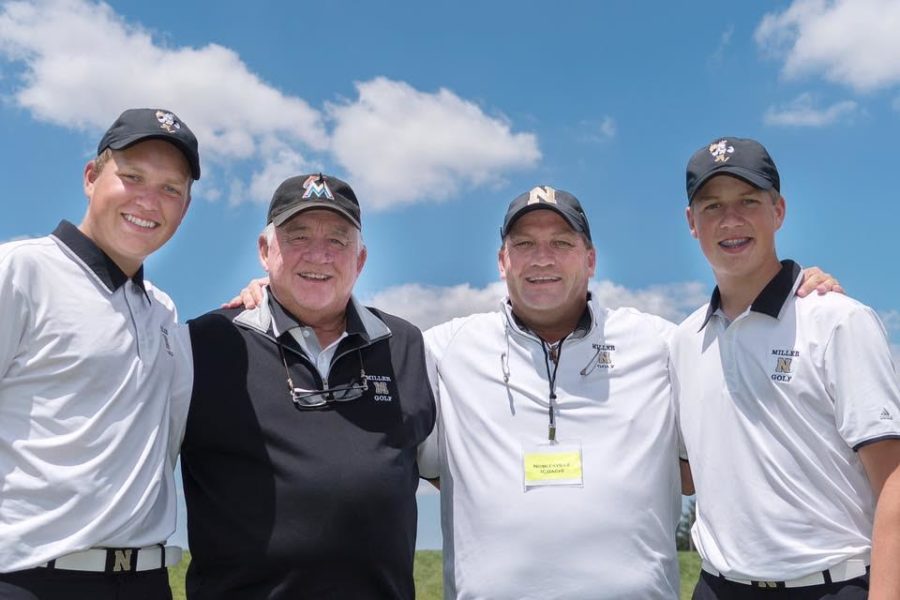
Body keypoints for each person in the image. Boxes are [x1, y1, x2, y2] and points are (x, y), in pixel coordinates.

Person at [180, 173, 435, 599]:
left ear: (361, 259)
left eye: (338, 240)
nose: (318, 255)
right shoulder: (205, 344)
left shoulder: (405, 344)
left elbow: (453, 472)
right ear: (266, 251)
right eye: (297, 237)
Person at [671, 136, 900, 599]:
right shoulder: (682, 340)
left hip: (831, 586)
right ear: (692, 223)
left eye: (748, 201)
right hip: (718, 586)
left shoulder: (838, 320)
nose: (730, 220)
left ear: (778, 211)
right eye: (712, 206)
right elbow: (687, 473)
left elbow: (893, 477)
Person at [0, 108, 200, 599]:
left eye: (171, 188)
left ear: (185, 207)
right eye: (132, 177)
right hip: (30, 579)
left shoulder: (164, 312)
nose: (149, 201)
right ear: (92, 177)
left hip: (146, 582)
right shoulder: (20, 272)